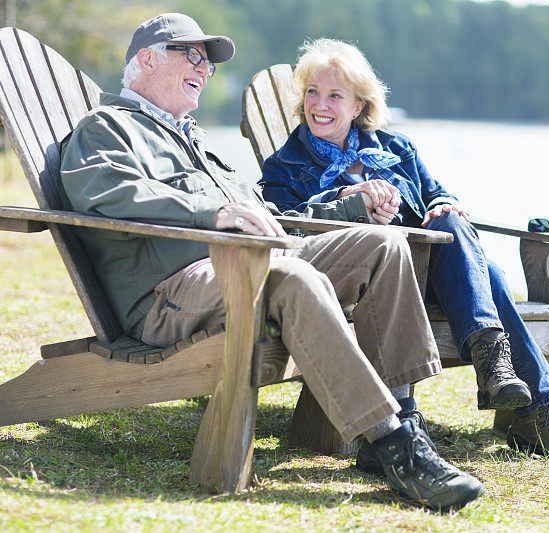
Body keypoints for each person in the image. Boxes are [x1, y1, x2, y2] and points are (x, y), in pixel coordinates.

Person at [59, 14, 485, 511]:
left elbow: (274, 216)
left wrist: (350, 209)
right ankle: (396, 446)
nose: (206, 68)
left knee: (382, 245)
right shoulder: (107, 128)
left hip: (253, 264)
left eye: (209, 61)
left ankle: (403, 413)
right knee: (289, 275)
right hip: (174, 291)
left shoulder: (193, 143)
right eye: (191, 55)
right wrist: (212, 211)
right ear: (147, 60)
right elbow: (102, 191)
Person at [259, 38, 549, 465]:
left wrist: (443, 204)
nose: (319, 104)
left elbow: (438, 194)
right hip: (366, 283)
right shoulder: (282, 167)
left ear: (358, 106)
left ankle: (506, 378)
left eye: (334, 95)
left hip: (431, 276)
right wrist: (351, 198)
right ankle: (531, 409)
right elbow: (290, 227)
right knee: (491, 277)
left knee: (453, 224)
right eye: (312, 91)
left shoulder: (397, 150)